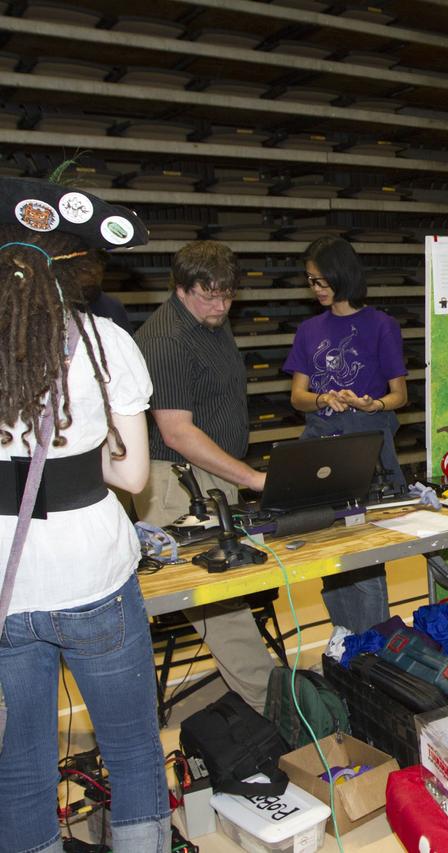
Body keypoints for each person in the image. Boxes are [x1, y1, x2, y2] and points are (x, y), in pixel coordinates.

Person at [0, 178, 169, 852]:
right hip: (94, 579)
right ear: (78, 269)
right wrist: (79, 455)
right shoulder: (102, 341)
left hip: (9, 591)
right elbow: (133, 474)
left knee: (20, 762)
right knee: (130, 752)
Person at [133, 241, 277, 712]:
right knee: (220, 603)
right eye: (207, 296)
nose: (219, 306)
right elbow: (176, 433)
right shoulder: (166, 340)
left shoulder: (211, 319)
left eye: (227, 296)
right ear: (180, 287)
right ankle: (273, 705)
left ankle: (259, 689)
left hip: (213, 475)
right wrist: (254, 480)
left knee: (231, 595)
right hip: (179, 485)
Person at [282, 236, 408, 632]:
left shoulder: (381, 326)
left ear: (342, 276)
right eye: (311, 281)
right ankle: (345, 639)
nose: (316, 289)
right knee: (327, 551)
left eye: (321, 281)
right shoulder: (309, 329)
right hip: (322, 450)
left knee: (365, 554)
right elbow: (298, 398)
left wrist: (372, 405)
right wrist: (323, 399)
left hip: (364, 452)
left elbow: (399, 395)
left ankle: (373, 646)